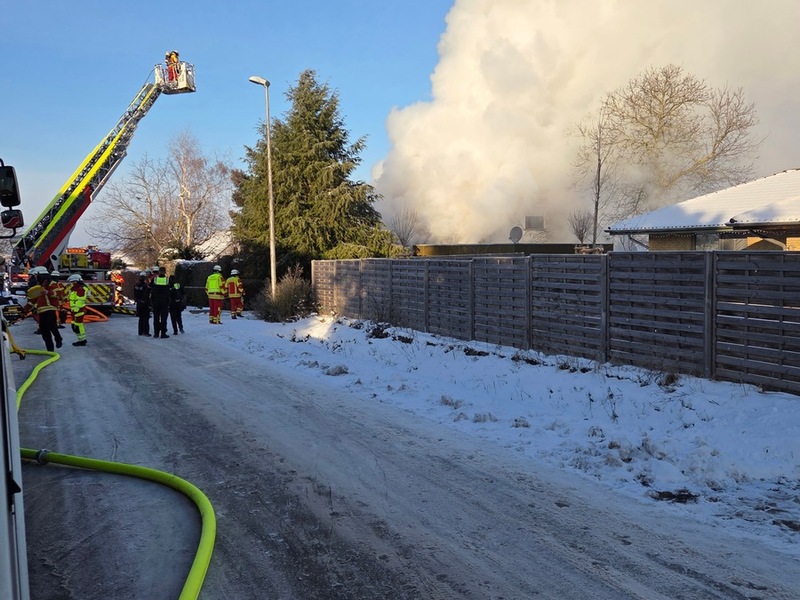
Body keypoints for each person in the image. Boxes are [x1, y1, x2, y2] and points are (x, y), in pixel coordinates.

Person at [26, 268, 63, 352]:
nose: (35, 277)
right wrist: (25, 309)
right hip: (41, 311)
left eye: (36, 275)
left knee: (52, 326)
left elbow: (59, 294)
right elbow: (32, 300)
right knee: (44, 330)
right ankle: (50, 350)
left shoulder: (52, 284)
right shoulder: (37, 287)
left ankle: (58, 339)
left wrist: (48, 292)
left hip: (51, 309)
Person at [150, 266, 171, 338]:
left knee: (156, 317)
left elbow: (150, 287)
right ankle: (163, 333)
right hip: (164, 301)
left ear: (159, 272)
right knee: (163, 318)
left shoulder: (155, 279)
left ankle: (156, 333)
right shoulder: (167, 280)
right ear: (165, 272)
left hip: (156, 301)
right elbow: (172, 288)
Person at [67, 274, 88, 346]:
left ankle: (82, 340)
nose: (72, 283)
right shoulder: (76, 288)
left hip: (79, 310)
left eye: (73, 282)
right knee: (75, 326)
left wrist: (75, 309)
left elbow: (80, 300)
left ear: (77, 281)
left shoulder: (80, 289)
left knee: (78, 326)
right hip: (75, 311)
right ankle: (81, 340)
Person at [133, 271, 152, 336]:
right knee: (146, 318)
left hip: (139, 303)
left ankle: (140, 332)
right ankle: (146, 332)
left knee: (141, 318)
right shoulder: (145, 286)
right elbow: (146, 295)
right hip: (145, 304)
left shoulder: (136, 285)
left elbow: (135, 295)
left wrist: (138, 300)